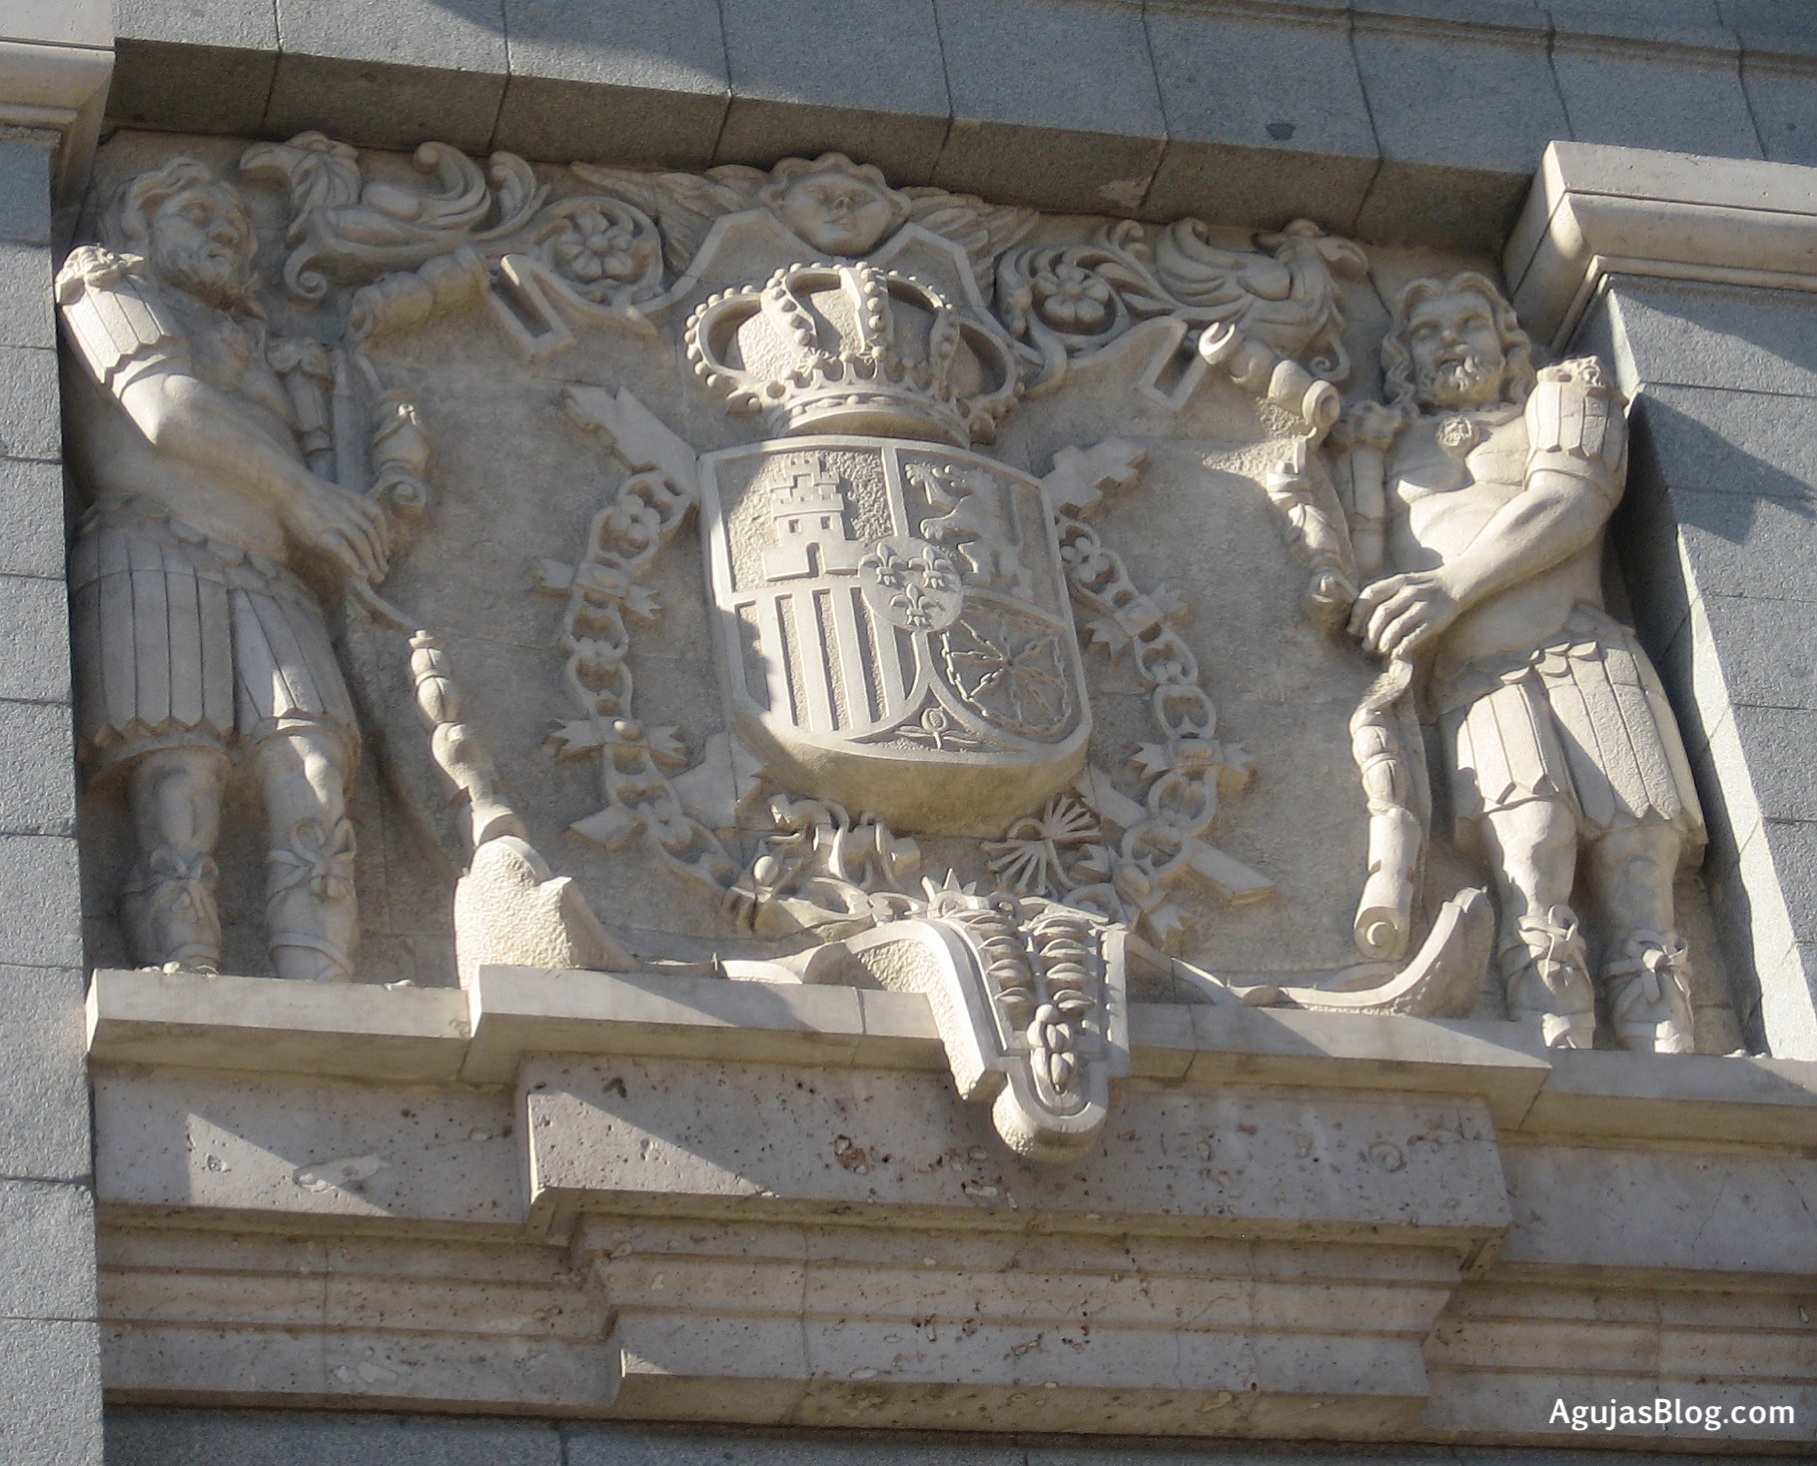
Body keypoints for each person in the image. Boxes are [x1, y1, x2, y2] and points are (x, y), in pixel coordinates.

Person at [1346, 272, 1704, 1051]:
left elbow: (1572, 498)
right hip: (1480, 681)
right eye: (1426, 333)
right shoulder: (1381, 445)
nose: (1449, 342)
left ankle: (1665, 1039)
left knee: (1637, 856)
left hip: (1585, 654)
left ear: (1508, 342)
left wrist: (1450, 588)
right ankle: (1553, 1037)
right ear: (1403, 360)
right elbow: (1362, 570)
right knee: (1529, 851)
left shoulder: (1560, 394)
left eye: (1468, 323)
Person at [58, 157, 389, 981]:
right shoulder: (104, 283)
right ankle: (186, 968)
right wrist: (302, 492)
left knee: (314, 765)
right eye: (198, 216)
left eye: (236, 230)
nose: (224, 236)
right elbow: (167, 409)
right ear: (138, 224)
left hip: (269, 573)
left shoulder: (266, 346)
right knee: (181, 777)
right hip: (157, 549)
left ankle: (320, 978)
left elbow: (326, 484)